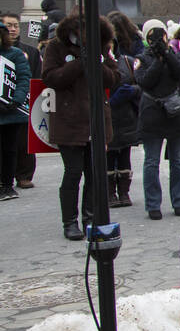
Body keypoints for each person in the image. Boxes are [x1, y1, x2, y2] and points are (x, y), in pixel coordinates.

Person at [42, 13, 120, 240]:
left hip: (95, 120)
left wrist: (95, 63)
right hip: (69, 120)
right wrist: (77, 64)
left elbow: (114, 78)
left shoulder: (101, 47)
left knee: (94, 173)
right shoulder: (57, 47)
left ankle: (90, 217)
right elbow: (49, 77)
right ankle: (69, 222)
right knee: (73, 172)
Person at [136, 19, 180, 219]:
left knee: (178, 160)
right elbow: (145, 81)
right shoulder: (142, 58)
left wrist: (167, 54)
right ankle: (153, 204)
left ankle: (178, 201)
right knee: (151, 162)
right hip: (152, 114)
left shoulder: (176, 55)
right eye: (152, 36)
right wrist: (158, 60)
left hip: (176, 115)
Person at [105, 13, 142, 208]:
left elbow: (139, 86)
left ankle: (124, 192)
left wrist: (131, 91)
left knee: (125, 156)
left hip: (126, 116)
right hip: (107, 117)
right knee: (109, 157)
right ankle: (110, 192)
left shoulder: (127, 61)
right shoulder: (97, 64)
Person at [3, 12, 40, 188]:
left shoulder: (30, 51)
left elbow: (34, 76)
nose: (12, 29)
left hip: (24, 103)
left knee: (24, 141)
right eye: (9, 25)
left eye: (15, 25)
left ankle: (24, 175)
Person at [0, 14, 32, 201]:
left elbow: (23, 78)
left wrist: (16, 100)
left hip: (12, 111)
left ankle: (7, 184)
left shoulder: (15, 54)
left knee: (10, 149)